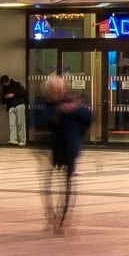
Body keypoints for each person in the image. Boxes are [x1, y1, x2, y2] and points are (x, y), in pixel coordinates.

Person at [37, 71, 92, 230]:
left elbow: (88, 118)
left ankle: (63, 215)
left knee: (67, 182)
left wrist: (72, 109)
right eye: (52, 91)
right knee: (47, 183)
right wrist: (57, 112)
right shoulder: (46, 105)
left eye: (57, 90)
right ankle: (51, 214)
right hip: (50, 149)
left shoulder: (72, 103)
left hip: (68, 147)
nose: (55, 93)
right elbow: (40, 121)